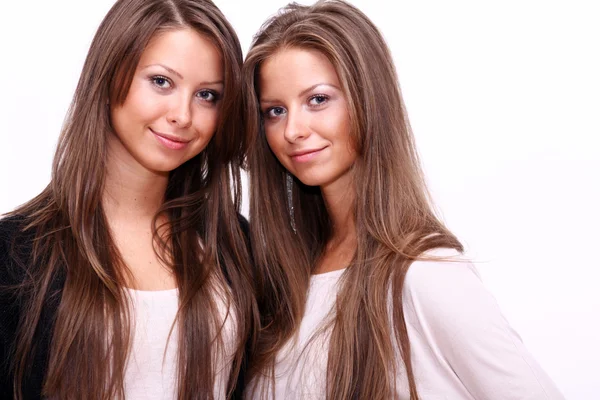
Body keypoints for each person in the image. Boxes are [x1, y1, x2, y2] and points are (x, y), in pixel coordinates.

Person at [242, 1, 564, 399]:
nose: (293, 129)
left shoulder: (426, 274)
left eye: (318, 100)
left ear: (368, 100)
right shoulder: (284, 277)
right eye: (275, 111)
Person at [0, 0, 256, 399]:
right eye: (161, 82)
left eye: (207, 95)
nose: (182, 115)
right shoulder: (15, 252)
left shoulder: (236, 244)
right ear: (109, 75)